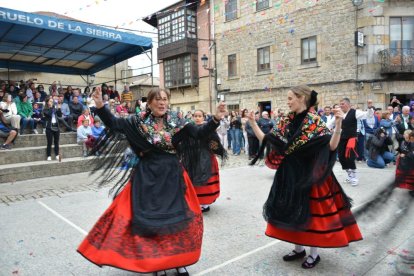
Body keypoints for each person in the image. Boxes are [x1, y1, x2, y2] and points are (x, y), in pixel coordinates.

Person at [77, 87, 227, 275]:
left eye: (165, 99)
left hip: (173, 176)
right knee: (153, 222)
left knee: (177, 219)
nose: (162, 102)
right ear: (149, 103)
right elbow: (114, 124)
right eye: (157, 99)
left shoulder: (178, 122)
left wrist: (216, 119)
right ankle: (159, 263)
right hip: (148, 177)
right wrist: (100, 105)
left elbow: (199, 133)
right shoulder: (137, 122)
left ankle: (179, 261)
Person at [247, 85, 362, 269]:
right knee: (294, 210)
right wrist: (253, 122)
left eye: (291, 98)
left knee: (312, 214)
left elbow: (331, 147)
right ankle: (298, 248)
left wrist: (339, 125)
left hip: (311, 173)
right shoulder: (286, 120)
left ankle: (314, 254)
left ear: (302, 98)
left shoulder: (313, 121)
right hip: (290, 172)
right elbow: (268, 140)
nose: (288, 101)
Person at [179, 109, 225, 213]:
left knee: (206, 181)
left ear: (203, 117)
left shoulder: (208, 128)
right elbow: (183, 143)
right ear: (192, 117)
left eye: (200, 116)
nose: (197, 118)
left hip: (206, 158)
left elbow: (215, 144)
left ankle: (204, 203)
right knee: (191, 180)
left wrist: (211, 143)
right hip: (191, 158)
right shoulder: (188, 129)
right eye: (195, 116)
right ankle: (194, 201)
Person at [328, 98, 374, 185]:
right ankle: (349, 175)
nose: (341, 105)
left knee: (350, 157)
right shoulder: (339, 114)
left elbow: (368, 115)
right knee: (341, 158)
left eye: (343, 104)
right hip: (341, 139)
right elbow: (330, 123)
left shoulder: (355, 112)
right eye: (340, 104)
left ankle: (354, 177)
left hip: (351, 139)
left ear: (348, 104)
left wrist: (369, 107)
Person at [43, 96, 62, 161]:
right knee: (49, 142)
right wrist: (51, 107)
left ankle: (57, 154)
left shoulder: (54, 108)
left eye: (52, 101)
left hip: (56, 126)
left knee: (56, 142)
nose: (52, 102)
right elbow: (49, 115)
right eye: (50, 101)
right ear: (47, 102)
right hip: (49, 128)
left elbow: (60, 115)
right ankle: (48, 155)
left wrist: (59, 109)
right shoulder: (45, 110)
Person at [395, 130, 414, 196]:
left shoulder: (412, 143)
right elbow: (402, 150)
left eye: (405, 134)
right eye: (404, 134)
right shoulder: (403, 142)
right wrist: (399, 150)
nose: (403, 135)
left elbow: (411, 153)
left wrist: (405, 154)